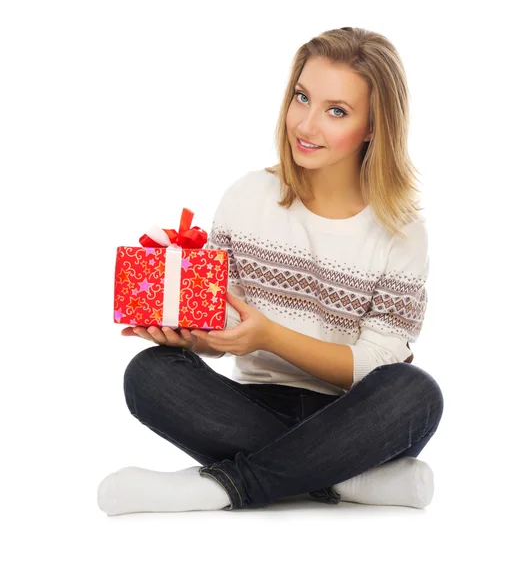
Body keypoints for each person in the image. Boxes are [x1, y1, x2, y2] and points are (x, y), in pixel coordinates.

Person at [98, 26, 444, 516]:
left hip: (354, 417)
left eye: (337, 111)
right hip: (248, 408)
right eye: (302, 98)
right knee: (148, 374)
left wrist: (272, 337)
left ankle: (222, 487)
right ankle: (343, 480)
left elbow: (378, 365)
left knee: (415, 392)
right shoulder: (248, 197)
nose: (306, 125)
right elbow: (229, 327)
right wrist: (188, 337)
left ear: (373, 126)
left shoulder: (402, 233)